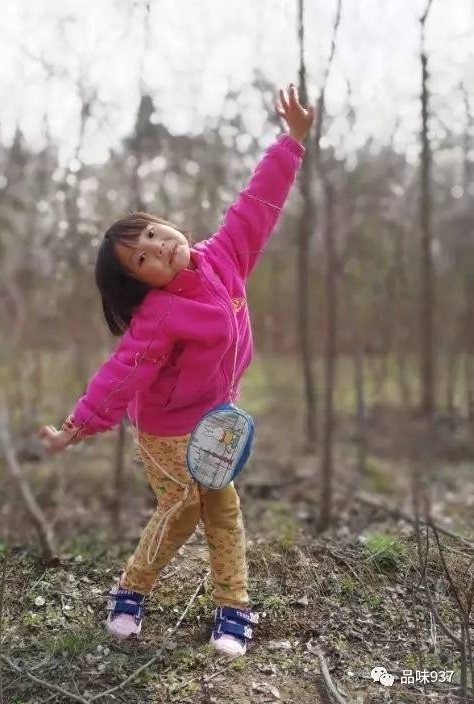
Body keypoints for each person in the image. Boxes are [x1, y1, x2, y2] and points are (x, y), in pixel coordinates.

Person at [39, 83, 314, 657]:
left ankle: (233, 609)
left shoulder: (225, 255)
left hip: (216, 418)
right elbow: (120, 374)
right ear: (141, 283)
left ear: (171, 227)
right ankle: (130, 593)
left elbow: (257, 203)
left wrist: (291, 142)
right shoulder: (160, 317)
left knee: (223, 506)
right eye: (139, 257)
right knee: (183, 505)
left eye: (153, 233)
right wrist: (77, 425)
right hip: (165, 429)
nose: (155, 247)